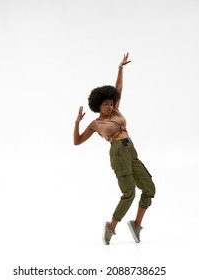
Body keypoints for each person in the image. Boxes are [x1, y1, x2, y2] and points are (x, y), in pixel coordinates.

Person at [73, 53, 156, 245]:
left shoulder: (116, 110)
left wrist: (120, 68)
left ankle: (136, 224)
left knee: (149, 188)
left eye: (111, 103)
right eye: (106, 104)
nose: (110, 106)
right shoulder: (96, 123)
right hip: (118, 153)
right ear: (98, 106)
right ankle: (111, 227)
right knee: (129, 194)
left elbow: (118, 88)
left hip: (130, 150)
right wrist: (77, 122)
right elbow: (77, 141)